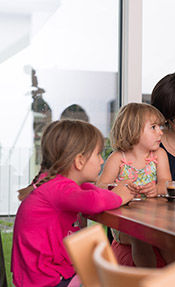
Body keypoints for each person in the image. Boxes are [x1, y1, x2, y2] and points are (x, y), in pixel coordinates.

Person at [11, 119, 134, 287]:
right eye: (98, 154)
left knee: (101, 275)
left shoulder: (54, 185)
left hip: (43, 275)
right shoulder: (58, 188)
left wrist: (95, 188)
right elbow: (94, 201)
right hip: (47, 280)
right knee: (106, 279)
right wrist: (120, 195)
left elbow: (88, 193)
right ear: (79, 161)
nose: (100, 161)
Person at [97, 102, 171, 267]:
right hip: (124, 225)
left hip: (155, 219)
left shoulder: (160, 155)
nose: (160, 132)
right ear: (134, 130)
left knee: (172, 242)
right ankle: (149, 280)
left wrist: (156, 188)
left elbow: (167, 182)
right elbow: (101, 186)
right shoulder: (117, 158)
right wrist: (119, 188)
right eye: (153, 127)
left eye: (160, 127)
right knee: (140, 237)